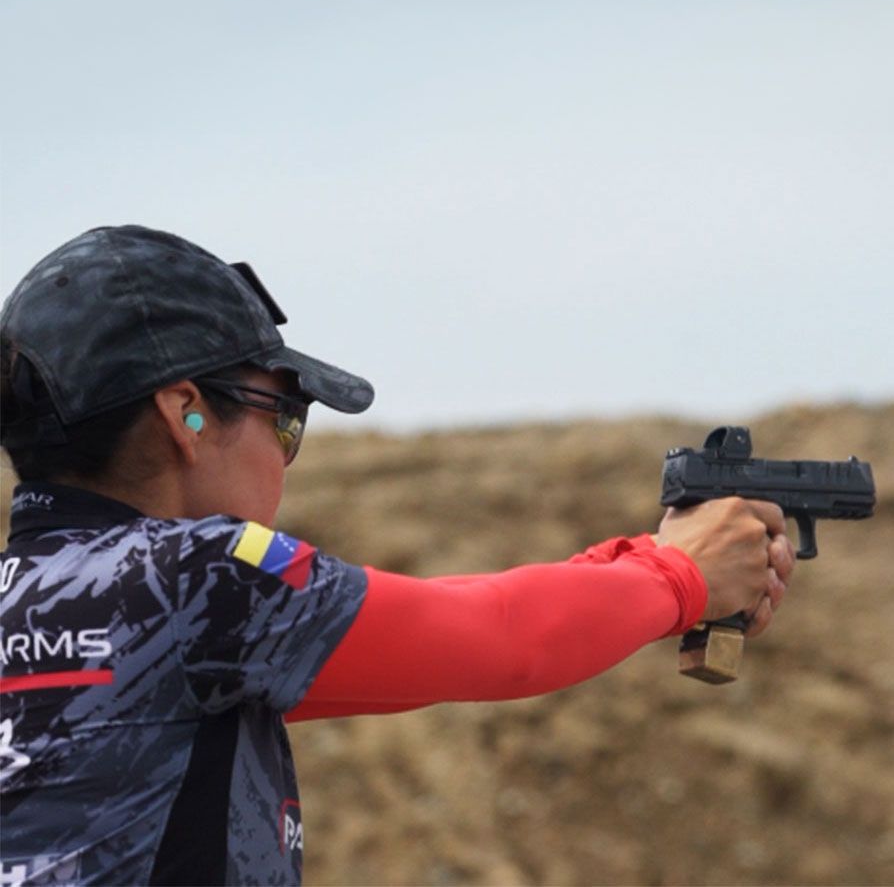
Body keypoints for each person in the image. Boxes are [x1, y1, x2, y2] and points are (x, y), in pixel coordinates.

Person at [0, 225, 794, 886]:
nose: (286, 450)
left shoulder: (41, 603)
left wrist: (641, 563)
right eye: (285, 418)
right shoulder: (207, 578)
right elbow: (498, 642)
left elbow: (437, 623)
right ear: (189, 416)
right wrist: (677, 575)